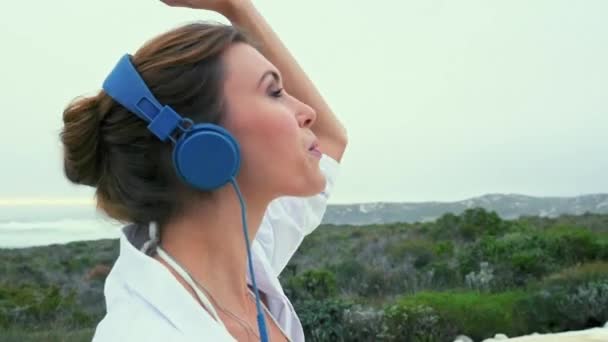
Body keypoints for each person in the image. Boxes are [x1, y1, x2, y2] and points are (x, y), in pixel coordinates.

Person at [59, 0, 348, 341]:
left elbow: (329, 141)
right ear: (206, 144)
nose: (307, 111)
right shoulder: (141, 334)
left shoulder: (239, 262)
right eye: (274, 92)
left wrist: (236, 8)